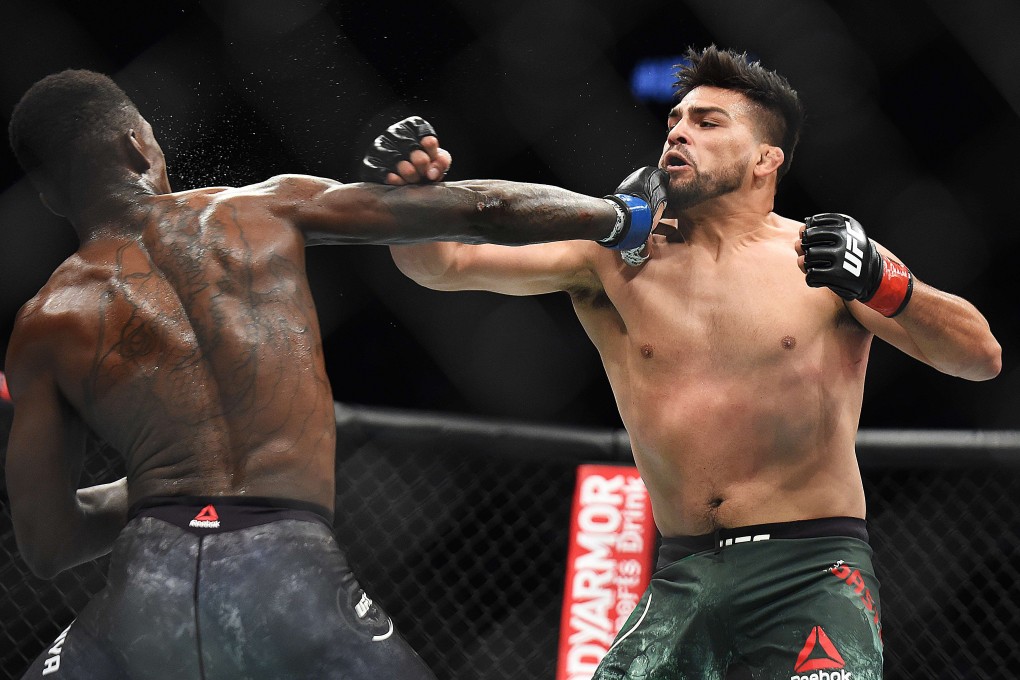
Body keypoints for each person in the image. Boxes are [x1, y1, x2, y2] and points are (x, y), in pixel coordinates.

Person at [2, 69, 667, 679]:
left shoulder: (45, 321)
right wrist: (621, 217)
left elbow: (49, 542)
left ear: (49, 194)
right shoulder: (259, 210)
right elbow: (482, 209)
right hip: (285, 572)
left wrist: (163, 486)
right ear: (138, 147)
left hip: (145, 588)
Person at [370, 46, 1002, 679]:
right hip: (684, 574)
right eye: (675, 120)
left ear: (766, 158)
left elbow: (980, 358)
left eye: (708, 121)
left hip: (811, 571)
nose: (677, 132)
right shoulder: (617, 255)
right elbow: (443, 265)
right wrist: (410, 201)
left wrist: (887, 284)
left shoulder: (822, 258)